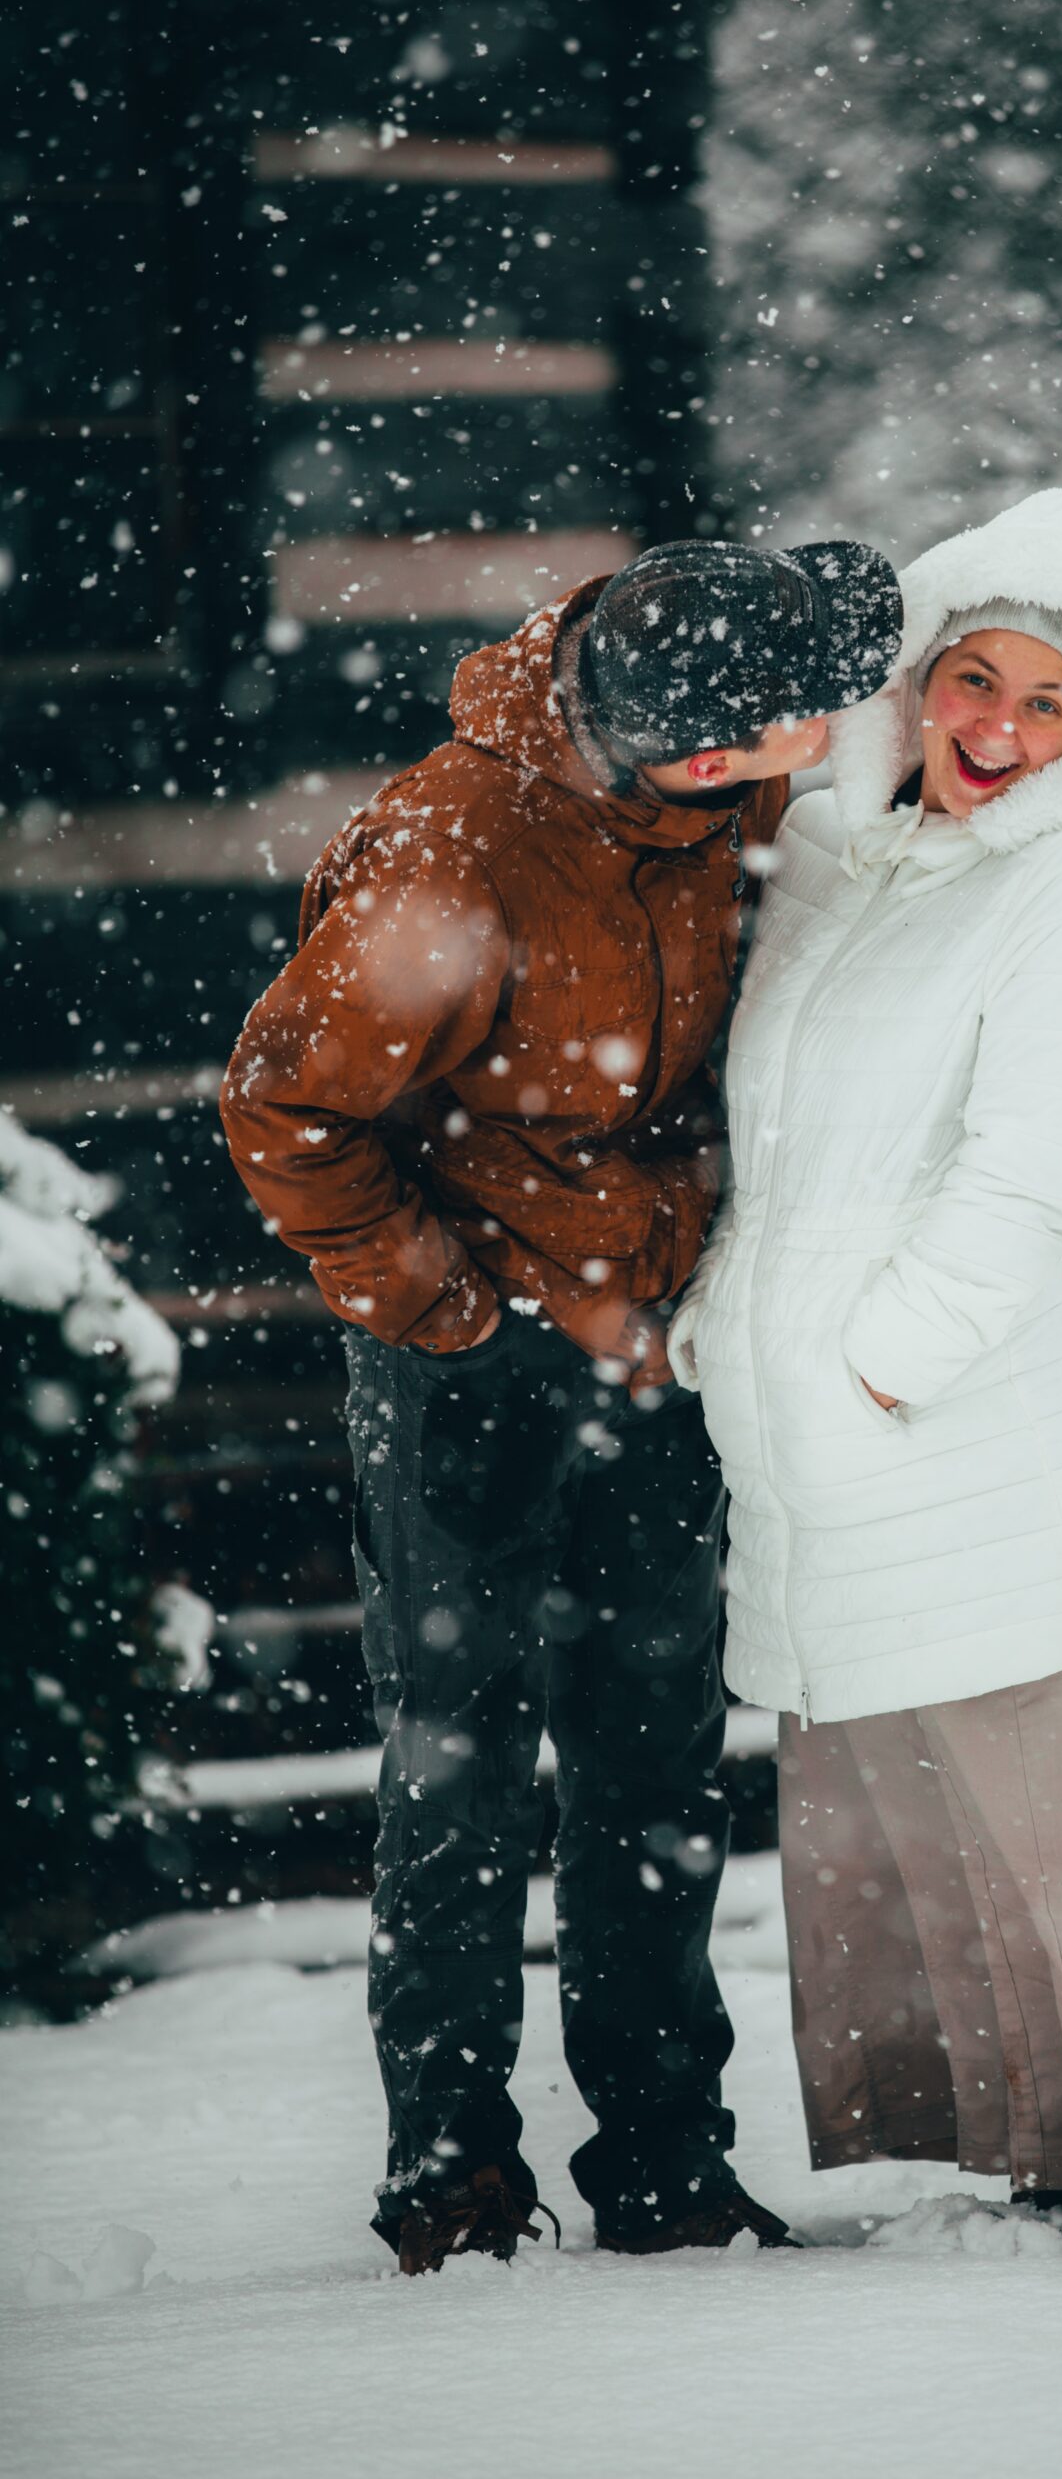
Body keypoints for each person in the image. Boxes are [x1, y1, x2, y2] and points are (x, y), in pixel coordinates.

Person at [220, 536, 902, 2271]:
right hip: (472, 1359)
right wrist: (440, 1306)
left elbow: (877, 645)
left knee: (653, 1766)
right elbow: (287, 1111)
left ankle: (667, 2163)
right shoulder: (457, 848)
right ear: (684, 748)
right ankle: (449, 2172)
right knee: (461, 1773)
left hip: (654, 1339)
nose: (814, 746)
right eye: (776, 736)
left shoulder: (717, 760)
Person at [668, 487, 1062, 2251]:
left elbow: (1020, 1177)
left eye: (1044, 705)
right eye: (972, 681)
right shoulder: (834, 855)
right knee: (912, 1827)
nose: (995, 728)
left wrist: (879, 1365)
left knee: (1055, 1825)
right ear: (920, 678)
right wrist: (725, 1319)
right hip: (795, 1410)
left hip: (953, 1410)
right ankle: (1023, 2147)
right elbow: (759, 1133)